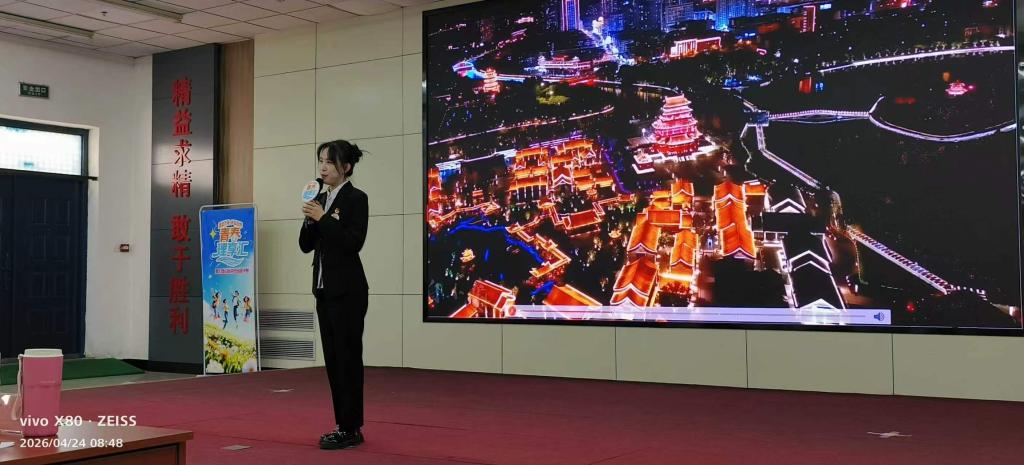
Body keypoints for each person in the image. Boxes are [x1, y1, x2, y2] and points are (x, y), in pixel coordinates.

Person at [299, 139, 370, 450]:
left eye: (329, 162)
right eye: (321, 161)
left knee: (347, 359)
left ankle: (351, 427)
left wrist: (323, 218)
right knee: (332, 360)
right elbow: (305, 245)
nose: (323, 168)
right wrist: (310, 218)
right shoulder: (320, 198)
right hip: (324, 292)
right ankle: (342, 424)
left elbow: (352, 243)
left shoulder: (356, 198)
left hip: (348, 292)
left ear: (346, 167)